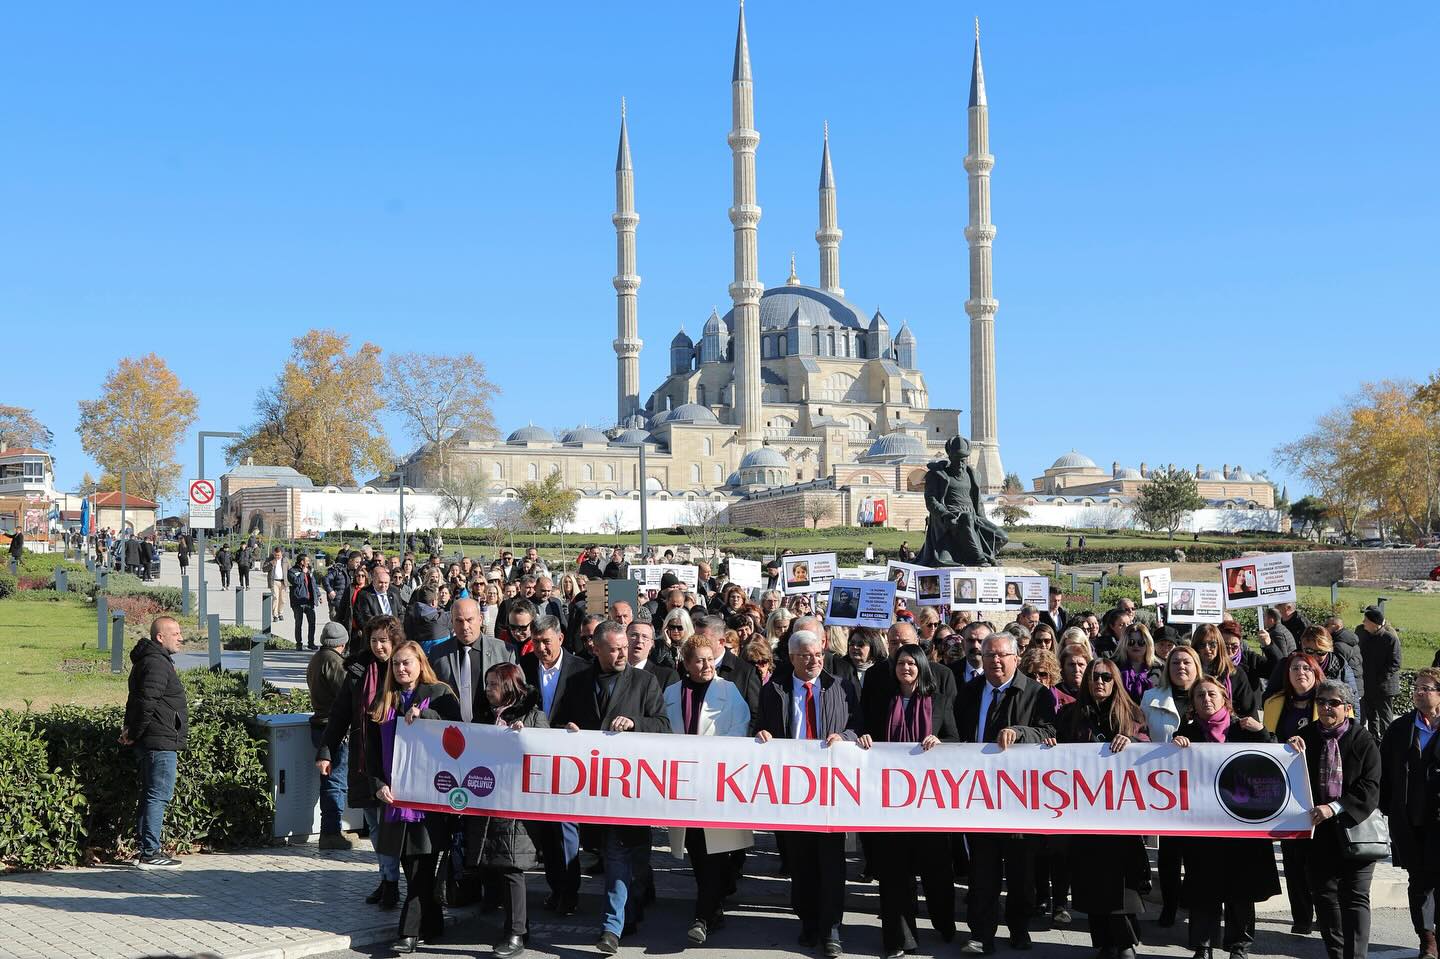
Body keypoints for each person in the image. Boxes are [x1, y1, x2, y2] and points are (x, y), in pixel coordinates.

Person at [552, 620, 671, 954]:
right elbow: (557, 723)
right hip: (591, 787)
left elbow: (663, 726)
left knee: (626, 856)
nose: (622, 653)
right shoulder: (576, 683)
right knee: (614, 856)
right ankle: (619, 919)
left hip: (632, 787)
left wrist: (635, 723)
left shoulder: (644, 682)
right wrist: (567, 728)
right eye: (615, 648)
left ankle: (616, 922)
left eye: (624, 647)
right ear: (596, 648)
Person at [755, 629, 861, 958]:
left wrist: (844, 736)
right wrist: (762, 734)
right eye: (805, 656)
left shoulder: (841, 686)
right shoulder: (774, 690)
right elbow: (761, 726)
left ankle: (831, 928)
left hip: (831, 788)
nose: (814, 660)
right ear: (792, 658)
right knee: (801, 861)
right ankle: (808, 920)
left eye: (818, 654)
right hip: (795, 789)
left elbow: (860, 727)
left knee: (831, 862)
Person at [954, 631, 1056, 954]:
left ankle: (1018, 928)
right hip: (980, 795)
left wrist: (1019, 732)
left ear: (1015, 658)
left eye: (1001, 655)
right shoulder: (969, 693)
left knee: (1020, 873)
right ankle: (981, 934)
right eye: (989, 655)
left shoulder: (1036, 693)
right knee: (982, 872)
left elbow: (1049, 732)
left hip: (1018, 800)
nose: (995, 661)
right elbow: (956, 734)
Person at [857, 643, 959, 959]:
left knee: (936, 872)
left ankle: (943, 923)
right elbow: (864, 732)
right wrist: (864, 738)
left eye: (912, 663)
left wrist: (940, 742)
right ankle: (898, 939)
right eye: (901, 662)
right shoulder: (881, 701)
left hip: (929, 803)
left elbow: (956, 740)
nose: (906, 668)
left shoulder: (939, 701)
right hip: (889, 803)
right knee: (893, 873)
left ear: (922, 667)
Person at [1172, 677, 1280, 959]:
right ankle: (1202, 945)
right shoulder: (1188, 733)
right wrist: (1175, 747)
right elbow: (1172, 770)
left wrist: (1264, 733)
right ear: (1193, 704)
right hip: (1203, 825)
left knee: (1241, 888)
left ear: (1224, 699)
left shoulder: (1244, 728)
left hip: (1242, 823)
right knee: (1202, 886)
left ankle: (1238, 946)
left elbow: (1275, 759)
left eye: (1211, 694)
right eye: (1199, 696)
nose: (1206, 699)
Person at [365, 641, 462, 954]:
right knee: (410, 866)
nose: (401, 669)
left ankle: (407, 931)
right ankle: (433, 923)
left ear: (421, 663)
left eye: (407, 663)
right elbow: (371, 754)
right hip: (395, 798)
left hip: (430, 797)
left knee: (422, 868)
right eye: (396, 665)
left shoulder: (441, 693)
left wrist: (426, 714)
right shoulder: (384, 700)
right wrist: (378, 784)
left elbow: (457, 734)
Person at [1050, 658, 1151, 959]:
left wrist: (1131, 740)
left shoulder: (1131, 713)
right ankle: (1104, 942)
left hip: (1122, 811)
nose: (1100, 681)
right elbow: (1058, 749)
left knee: (1121, 882)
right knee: (1091, 879)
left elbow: (1146, 744)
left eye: (1107, 677)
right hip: (1085, 811)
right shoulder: (1070, 715)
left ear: (1115, 680)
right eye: (1094, 676)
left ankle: (1125, 942)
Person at [664, 633, 754, 944]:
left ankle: (702, 915)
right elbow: (664, 733)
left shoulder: (728, 691)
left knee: (717, 851)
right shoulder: (673, 692)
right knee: (697, 851)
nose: (706, 665)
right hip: (685, 785)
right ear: (686, 664)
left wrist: (710, 756)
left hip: (718, 782)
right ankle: (712, 908)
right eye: (698, 660)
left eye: (708, 659)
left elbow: (740, 728)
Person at [1289, 679, 1382, 959]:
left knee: (1354, 899)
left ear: (1348, 708)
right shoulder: (1307, 737)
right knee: (1325, 898)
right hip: (1319, 834)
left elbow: (1371, 786)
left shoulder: (1363, 739)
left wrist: (1335, 807)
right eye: (1321, 702)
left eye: (1333, 703)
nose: (1326, 707)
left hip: (1356, 830)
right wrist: (1288, 748)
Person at [319, 616, 403, 909]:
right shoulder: (358, 670)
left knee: (394, 826)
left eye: (384, 640)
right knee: (375, 827)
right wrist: (326, 751)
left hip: (396, 759)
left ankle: (397, 881)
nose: (379, 647)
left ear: (395, 641)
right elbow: (341, 712)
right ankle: (387, 880)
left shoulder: (404, 666)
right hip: (366, 757)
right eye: (374, 640)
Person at [468, 662, 547, 959]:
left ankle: (515, 933)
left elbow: (544, 756)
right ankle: (517, 925)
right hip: (488, 799)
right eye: (486, 684)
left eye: (493, 684)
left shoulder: (534, 716)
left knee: (513, 866)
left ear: (510, 686)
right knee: (498, 863)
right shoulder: (485, 717)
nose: (487, 690)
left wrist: (526, 738)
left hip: (517, 803)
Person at [518, 615, 587, 914]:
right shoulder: (526, 669)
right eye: (537, 643)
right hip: (533, 758)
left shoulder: (581, 669)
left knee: (565, 827)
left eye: (547, 641)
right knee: (545, 829)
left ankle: (570, 891)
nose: (542, 648)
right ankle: (555, 888)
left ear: (560, 638)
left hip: (568, 758)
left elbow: (590, 709)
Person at [1140, 644, 1204, 927]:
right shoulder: (1151, 698)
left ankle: (1193, 902)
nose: (1181, 667)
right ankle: (1169, 905)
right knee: (1168, 853)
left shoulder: (1208, 696)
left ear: (1196, 667)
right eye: (1176, 662)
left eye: (1187, 662)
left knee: (1195, 853)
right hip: (1164, 785)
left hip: (1199, 787)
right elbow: (1141, 734)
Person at [1262, 651, 1326, 936]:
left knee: (1320, 861)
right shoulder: (1275, 703)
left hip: (1321, 789)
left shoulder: (1331, 700)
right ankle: (1301, 915)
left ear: (1315, 673)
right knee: (1293, 859)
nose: (1300, 672)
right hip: (1286, 791)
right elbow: (1268, 740)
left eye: (1306, 668)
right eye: (1295, 668)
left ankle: (1325, 915)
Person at [1379, 666, 1440, 959]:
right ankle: (1427, 939)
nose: (1418, 692)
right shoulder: (1400, 728)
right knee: (1419, 881)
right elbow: (1385, 772)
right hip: (1410, 819)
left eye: (1426, 688)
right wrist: (1387, 808)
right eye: (1416, 687)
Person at [120, 615, 188, 868]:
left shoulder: (151, 662)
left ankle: (145, 849)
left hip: (154, 739)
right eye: (176, 633)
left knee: (151, 794)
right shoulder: (157, 664)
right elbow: (146, 703)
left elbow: (138, 702)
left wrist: (131, 731)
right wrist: (134, 732)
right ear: (160, 637)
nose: (181, 638)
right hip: (159, 741)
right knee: (158, 795)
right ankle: (150, 852)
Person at [306, 621, 352, 850]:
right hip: (332, 727)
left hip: (319, 724)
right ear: (342, 643)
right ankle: (331, 832)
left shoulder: (317, 658)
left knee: (331, 780)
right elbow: (346, 694)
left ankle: (332, 829)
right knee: (335, 782)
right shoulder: (334, 661)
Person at [1193, 623, 1257, 717]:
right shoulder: (1190, 672)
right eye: (1202, 644)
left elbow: (1249, 711)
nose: (1207, 649)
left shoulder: (1235, 673)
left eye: (1212, 644)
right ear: (1196, 647)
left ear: (1219, 645)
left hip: (1228, 727)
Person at [1358, 605, 1401, 739]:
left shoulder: (1390, 638)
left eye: (1366, 620)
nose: (1363, 622)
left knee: (1385, 718)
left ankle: (1388, 742)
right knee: (1371, 717)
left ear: (1373, 623)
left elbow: (1395, 662)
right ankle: (1373, 741)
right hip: (1368, 684)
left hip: (1383, 687)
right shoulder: (1363, 635)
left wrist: (1380, 678)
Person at [1115, 623, 1159, 704]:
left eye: (1141, 642)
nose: (1136, 646)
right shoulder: (1115, 666)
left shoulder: (1159, 668)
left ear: (1148, 644)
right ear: (1124, 643)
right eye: (1131, 642)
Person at [355, 565, 407, 633]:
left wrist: (396, 626)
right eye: (380, 583)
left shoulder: (394, 591)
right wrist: (382, 629)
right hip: (376, 632)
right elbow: (366, 616)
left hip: (394, 631)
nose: (383, 586)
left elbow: (401, 612)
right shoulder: (365, 594)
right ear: (374, 581)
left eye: (386, 583)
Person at [288, 552, 322, 649]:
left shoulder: (309, 570)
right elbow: (296, 582)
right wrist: (303, 573)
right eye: (307, 561)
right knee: (299, 623)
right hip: (298, 601)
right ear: (302, 562)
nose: (309, 562)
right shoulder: (292, 571)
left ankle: (311, 643)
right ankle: (299, 644)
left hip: (309, 601)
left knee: (312, 623)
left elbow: (314, 583)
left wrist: (318, 595)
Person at [267, 547, 287, 621]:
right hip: (274, 581)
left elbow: (290, 569)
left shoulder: (285, 560)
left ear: (281, 554)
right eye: (275, 555)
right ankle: (275, 615)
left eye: (278, 555)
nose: (277, 557)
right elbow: (264, 569)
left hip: (283, 582)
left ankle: (280, 613)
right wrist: (271, 564)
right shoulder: (270, 559)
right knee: (275, 598)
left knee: (282, 599)